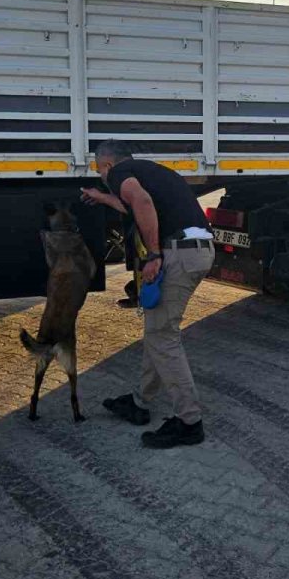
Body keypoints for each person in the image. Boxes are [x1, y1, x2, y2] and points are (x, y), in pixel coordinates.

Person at [81, 140, 215, 449]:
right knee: (156, 331)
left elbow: (140, 203)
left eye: (99, 171)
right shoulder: (149, 171)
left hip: (177, 253)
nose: (102, 177)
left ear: (107, 165)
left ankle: (190, 422)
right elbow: (133, 202)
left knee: (164, 337)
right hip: (196, 251)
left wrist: (154, 255)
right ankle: (140, 403)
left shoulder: (119, 173)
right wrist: (102, 198)